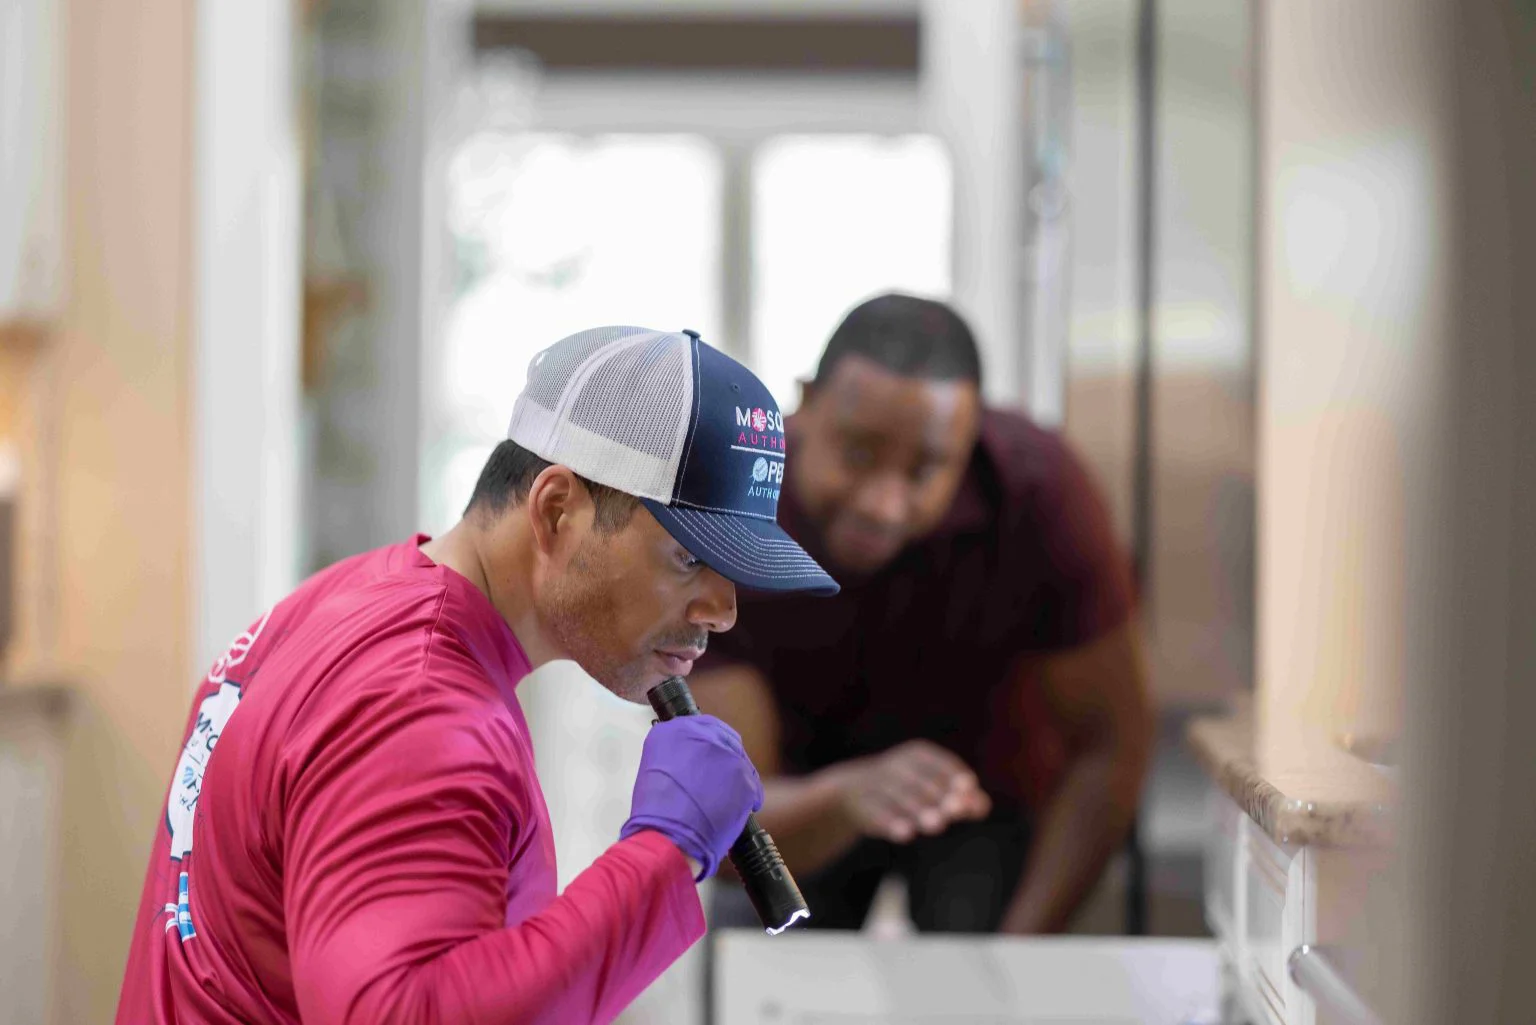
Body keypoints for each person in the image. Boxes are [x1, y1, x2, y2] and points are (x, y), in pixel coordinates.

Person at [115, 326, 838, 1025]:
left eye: (734, 570)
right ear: (557, 510)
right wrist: (666, 853)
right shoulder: (419, 701)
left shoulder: (353, 598)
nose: (723, 610)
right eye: (688, 557)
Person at [692, 295, 1153, 935]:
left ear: (970, 440)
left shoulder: (1042, 493)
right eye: (857, 453)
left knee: (974, 968)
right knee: (773, 975)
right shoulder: (727, 516)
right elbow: (722, 817)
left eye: (926, 468)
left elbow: (1112, 743)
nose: (884, 504)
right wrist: (845, 796)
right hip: (798, 803)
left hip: (988, 799)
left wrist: (1018, 957)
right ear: (801, 407)